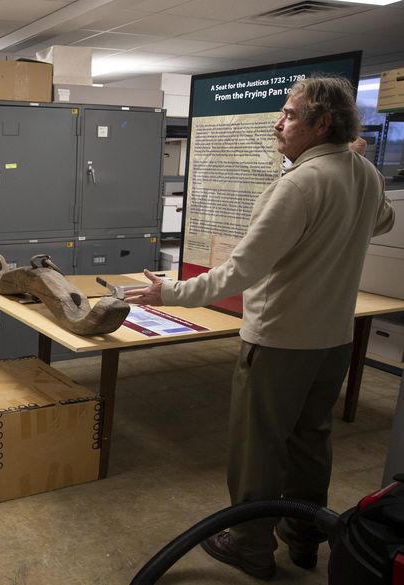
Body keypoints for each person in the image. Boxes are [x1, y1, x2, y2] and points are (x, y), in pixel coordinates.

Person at [124, 76, 395, 580]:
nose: (278, 122)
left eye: (290, 114)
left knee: (259, 446)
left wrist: (171, 293)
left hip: (280, 342)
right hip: (333, 339)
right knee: (311, 440)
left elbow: (242, 270)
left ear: (323, 123)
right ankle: (307, 536)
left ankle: (250, 546)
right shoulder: (363, 173)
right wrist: (360, 162)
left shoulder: (297, 185)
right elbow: (382, 222)